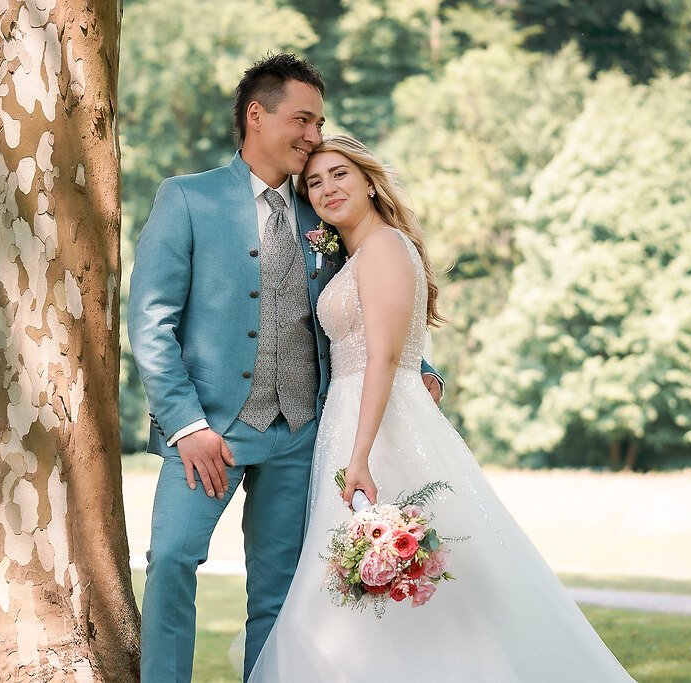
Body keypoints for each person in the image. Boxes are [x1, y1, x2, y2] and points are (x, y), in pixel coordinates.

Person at [247, 134, 638, 682]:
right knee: (356, 589)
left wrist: (359, 456)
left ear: (369, 182)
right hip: (350, 418)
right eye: (313, 182)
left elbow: (385, 357)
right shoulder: (356, 254)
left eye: (339, 174)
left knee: (401, 579)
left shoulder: (384, 247)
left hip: (379, 427)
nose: (326, 188)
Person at [127, 56, 442, 682]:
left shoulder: (322, 210)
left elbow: (368, 299)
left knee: (279, 592)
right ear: (256, 115)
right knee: (171, 561)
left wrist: (419, 365)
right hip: (209, 434)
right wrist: (186, 425)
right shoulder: (188, 198)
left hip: (300, 434)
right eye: (303, 119)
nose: (313, 135)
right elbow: (151, 320)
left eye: (318, 122)